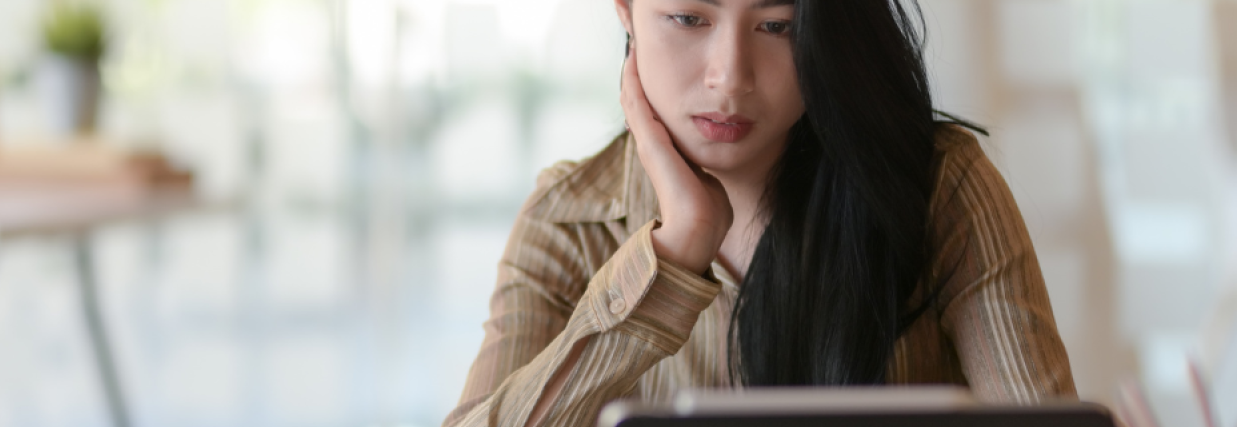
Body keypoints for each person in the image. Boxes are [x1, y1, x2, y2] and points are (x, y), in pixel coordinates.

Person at [443, 0, 1076, 426]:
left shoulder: (940, 186)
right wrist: (672, 256)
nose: (730, 78)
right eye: (690, 18)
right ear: (626, 12)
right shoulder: (569, 219)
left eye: (778, 25)